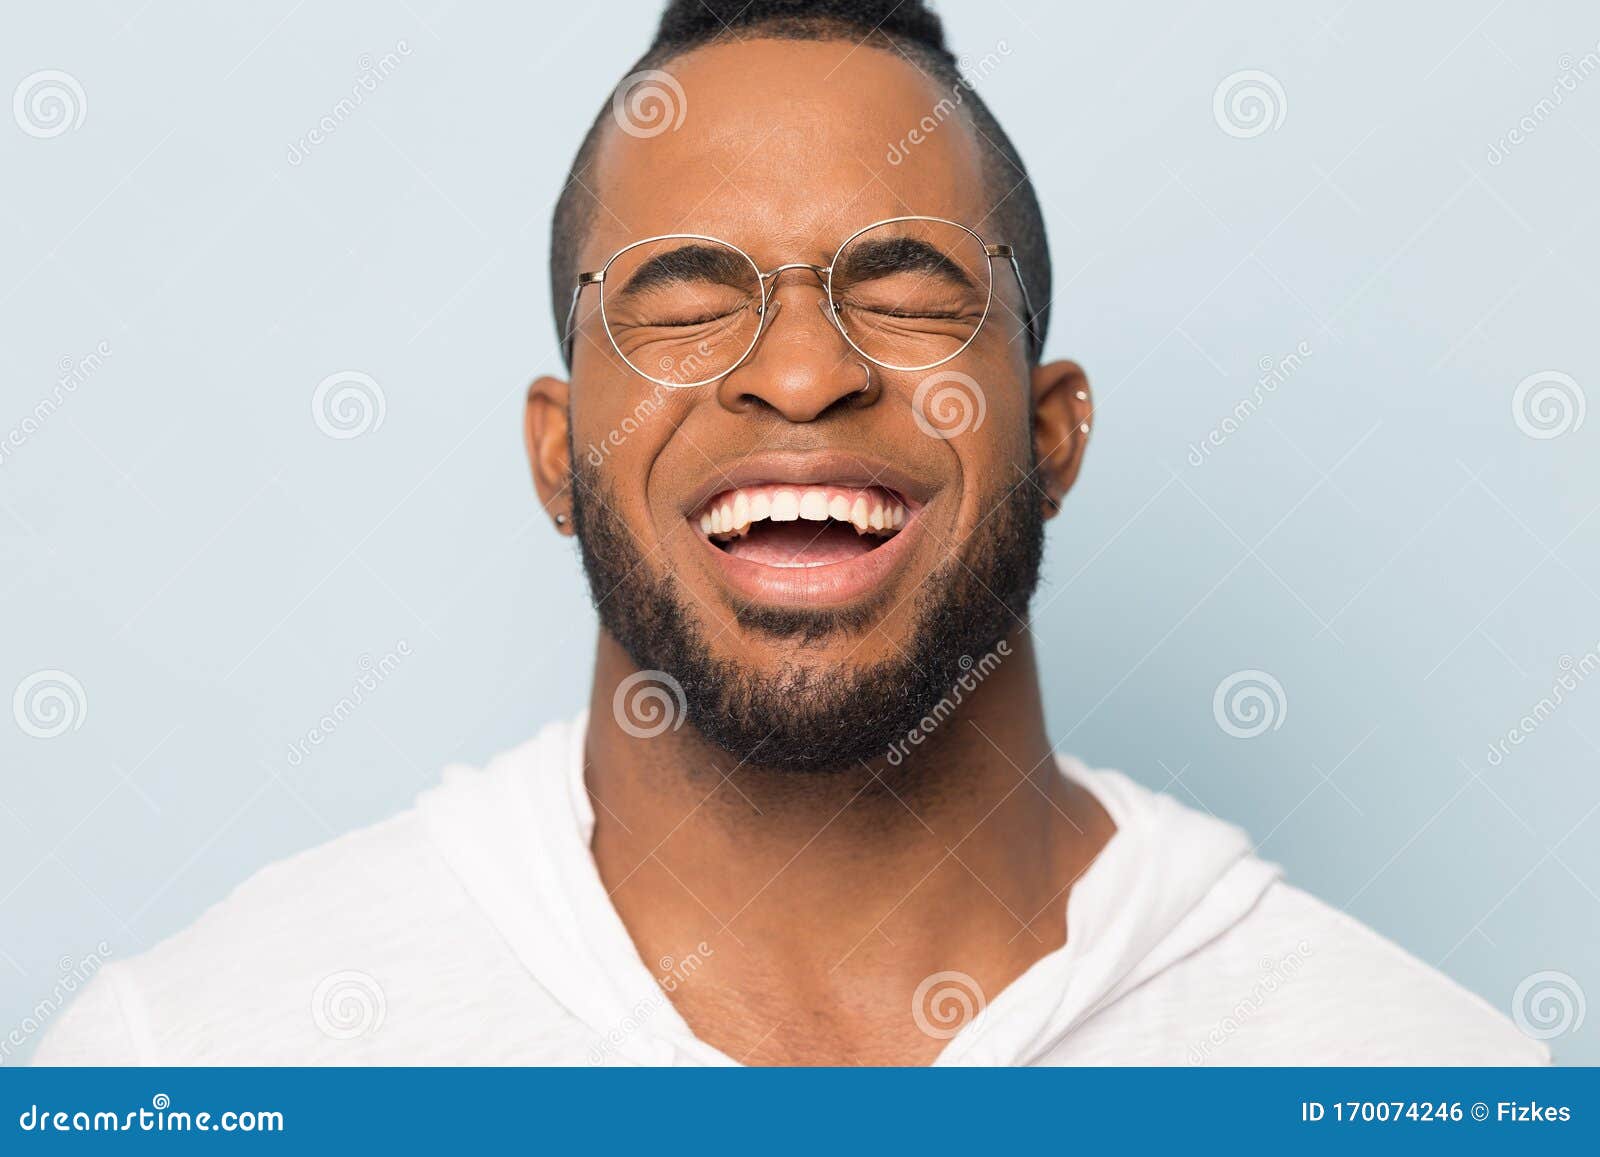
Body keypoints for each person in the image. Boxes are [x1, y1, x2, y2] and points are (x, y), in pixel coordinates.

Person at [37, 0, 1543, 1066]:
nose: (806, 371)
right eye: (687, 297)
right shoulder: (201, 1064)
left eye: (905, 288)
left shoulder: (1425, 1085)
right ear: (558, 456)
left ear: (1051, 428)